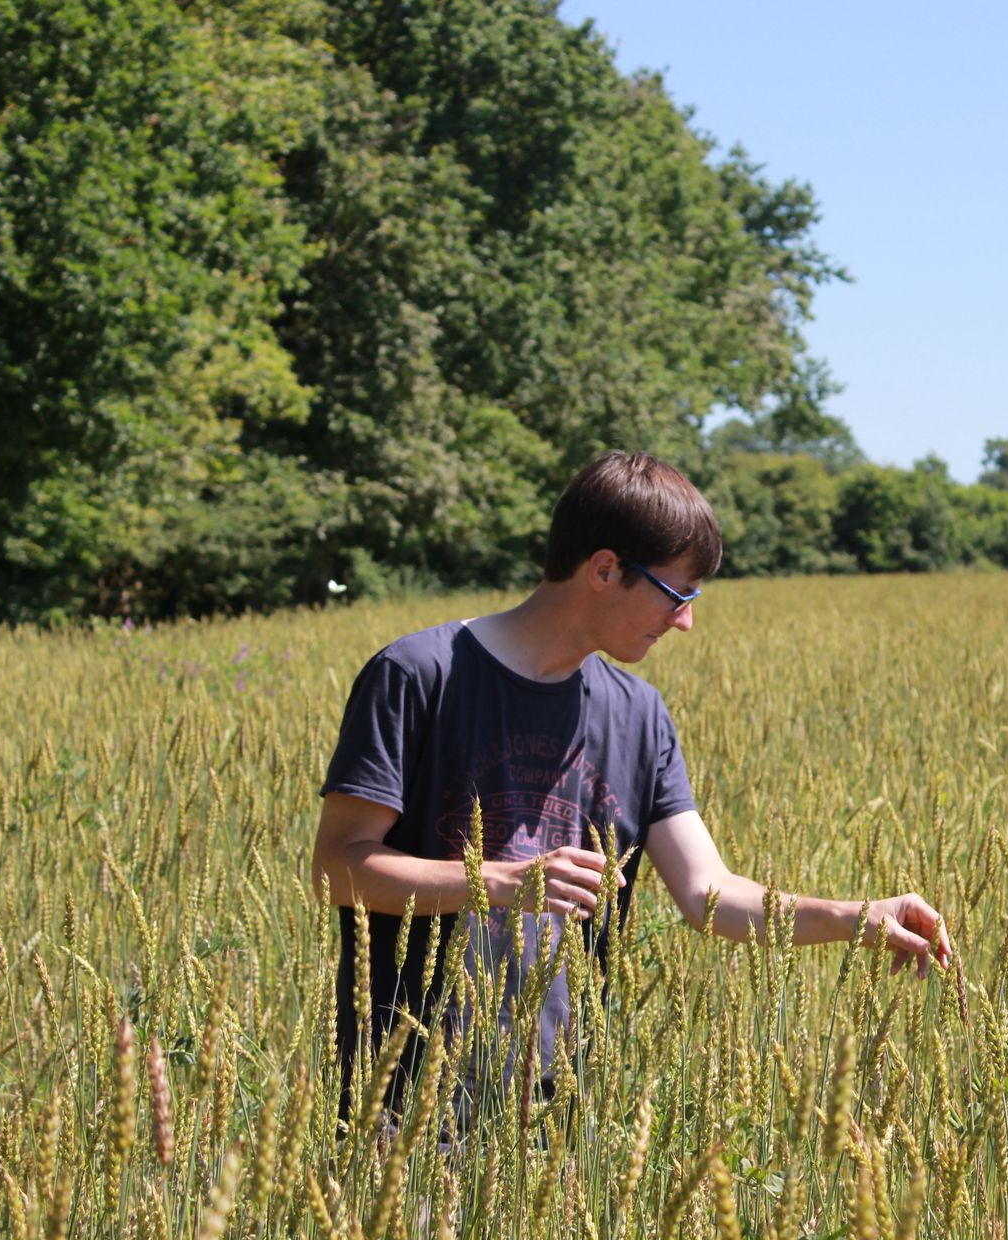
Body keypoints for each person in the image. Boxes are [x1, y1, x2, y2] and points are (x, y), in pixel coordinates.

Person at [311, 450, 950, 1117]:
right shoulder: (417, 676)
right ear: (605, 569)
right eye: (676, 596)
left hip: (561, 1117)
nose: (685, 621)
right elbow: (338, 867)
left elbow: (712, 896)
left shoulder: (640, 714)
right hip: (406, 1103)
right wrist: (500, 884)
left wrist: (859, 919)